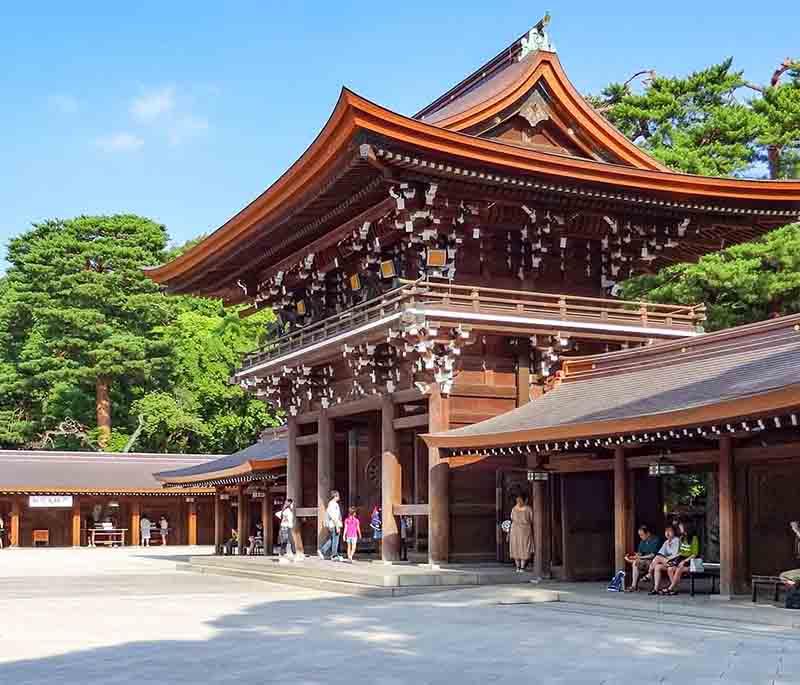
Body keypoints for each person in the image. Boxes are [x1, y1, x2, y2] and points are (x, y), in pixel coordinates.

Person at [661, 520, 700, 596]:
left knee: (679, 568)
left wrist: (684, 561)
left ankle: (670, 588)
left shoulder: (694, 538)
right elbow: (680, 552)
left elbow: (694, 554)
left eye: (681, 527)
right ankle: (675, 589)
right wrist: (672, 559)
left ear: (686, 528)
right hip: (681, 559)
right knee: (670, 569)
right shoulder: (682, 538)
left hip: (690, 561)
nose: (680, 529)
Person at [624, 525, 661, 591]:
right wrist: (633, 556)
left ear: (648, 534)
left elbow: (652, 555)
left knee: (637, 562)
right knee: (635, 563)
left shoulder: (656, 540)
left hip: (653, 561)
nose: (640, 537)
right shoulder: (642, 542)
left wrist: (640, 557)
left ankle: (649, 580)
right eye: (639, 535)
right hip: (644, 561)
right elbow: (640, 553)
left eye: (642, 535)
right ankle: (634, 586)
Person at [645, 525, 681, 593]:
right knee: (657, 567)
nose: (667, 533)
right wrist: (663, 558)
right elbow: (660, 553)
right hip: (668, 562)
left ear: (674, 532)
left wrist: (664, 558)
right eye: (666, 531)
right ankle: (656, 589)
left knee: (658, 558)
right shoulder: (666, 542)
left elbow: (675, 554)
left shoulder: (676, 540)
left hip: (675, 562)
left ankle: (649, 573)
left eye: (670, 531)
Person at [509, 494, 535, 572]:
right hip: (523, 529)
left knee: (518, 545)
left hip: (518, 529)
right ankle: (521, 567)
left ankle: (519, 567)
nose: (518, 502)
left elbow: (512, 518)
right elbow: (532, 519)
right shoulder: (528, 509)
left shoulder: (514, 509)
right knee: (522, 546)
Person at [318, 490, 343, 561]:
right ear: (335, 496)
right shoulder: (333, 504)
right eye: (338, 495)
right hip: (334, 524)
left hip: (333, 524)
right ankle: (334, 555)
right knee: (335, 540)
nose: (339, 497)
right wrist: (337, 526)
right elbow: (334, 516)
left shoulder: (333, 504)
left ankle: (322, 550)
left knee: (332, 539)